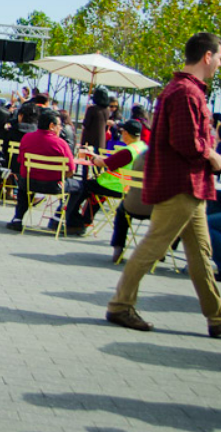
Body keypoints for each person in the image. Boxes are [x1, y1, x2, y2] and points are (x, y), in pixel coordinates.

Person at [106, 32, 221, 337]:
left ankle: (218, 317)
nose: (220, 64)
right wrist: (211, 154)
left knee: (199, 254)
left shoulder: (182, 89)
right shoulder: (186, 92)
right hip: (182, 183)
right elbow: (185, 142)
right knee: (153, 246)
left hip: (187, 184)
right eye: (219, 57)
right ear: (207, 56)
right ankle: (120, 305)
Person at [62, 119, 148, 236]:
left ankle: (74, 222)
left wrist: (92, 158)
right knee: (94, 191)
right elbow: (111, 161)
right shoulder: (143, 148)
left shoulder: (128, 151)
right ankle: (84, 221)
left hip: (114, 185)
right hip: (131, 188)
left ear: (126, 134)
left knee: (80, 187)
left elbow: (105, 164)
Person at [6, 110, 79, 232]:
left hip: (29, 182)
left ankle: (18, 218)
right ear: (51, 126)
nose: (60, 128)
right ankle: (58, 217)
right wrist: (61, 177)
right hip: (54, 185)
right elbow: (71, 170)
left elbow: (21, 160)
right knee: (78, 188)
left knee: (24, 187)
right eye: (59, 125)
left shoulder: (27, 138)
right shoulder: (61, 143)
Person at [80, 86, 111, 155]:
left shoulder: (92, 109)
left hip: (89, 140)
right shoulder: (107, 110)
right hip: (101, 140)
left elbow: (86, 124)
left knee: (87, 163)